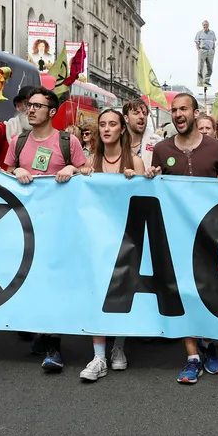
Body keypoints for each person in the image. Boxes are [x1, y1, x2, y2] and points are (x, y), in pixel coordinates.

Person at [149, 93, 218, 384]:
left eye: (183, 109)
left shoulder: (217, 147)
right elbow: (155, 187)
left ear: (196, 113)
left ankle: (208, 345)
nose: (177, 114)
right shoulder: (161, 149)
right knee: (182, 291)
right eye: (173, 110)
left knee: (209, 291)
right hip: (175, 234)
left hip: (210, 235)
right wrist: (151, 177)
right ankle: (192, 356)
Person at [3, 87, 90, 371]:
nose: (30, 110)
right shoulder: (17, 141)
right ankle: (39, 329)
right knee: (30, 278)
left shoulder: (68, 141)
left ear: (52, 112)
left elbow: (88, 172)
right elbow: (5, 174)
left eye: (37, 106)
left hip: (59, 225)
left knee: (54, 280)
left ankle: (54, 343)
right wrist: (14, 171)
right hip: (25, 224)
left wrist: (74, 170)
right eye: (29, 105)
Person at [79, 109, 148, 382]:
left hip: (128, 237)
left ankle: (119, 344)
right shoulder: (90, 161)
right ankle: (98, 356)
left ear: (122, 129)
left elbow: (146, 198)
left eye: (112, 124)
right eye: (102, 125)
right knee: (98, 292)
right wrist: (75, 172)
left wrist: (139, 180)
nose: (107, 129)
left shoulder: (137, 162)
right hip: (97, 238)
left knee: (122, 292)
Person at [123, 98, 162, 169]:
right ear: (126, 118)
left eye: (144, 113)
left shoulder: (155, 142)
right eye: (136, 113)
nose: (142, 116)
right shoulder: (117, 141)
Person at [195, 20, 217, 87]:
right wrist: (199, 50)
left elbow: (213, 42)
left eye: (206, 25)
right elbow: (197, 42)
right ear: (202, 26)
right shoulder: (199, 33)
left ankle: (207, 81)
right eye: (204, 25)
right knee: (200, 67)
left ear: (208, 25)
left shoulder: (212, 33)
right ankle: (200, 81)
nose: (205, 26)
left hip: (210, 51)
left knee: (210, 68)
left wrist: (213, 50)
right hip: (202, 50)